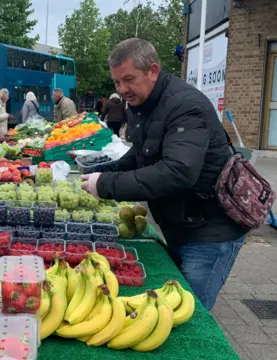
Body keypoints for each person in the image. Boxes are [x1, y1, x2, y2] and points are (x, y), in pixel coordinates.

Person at [80, 38, 248, 311]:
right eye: (117, 83)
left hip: (210, 231)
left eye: (129, 79)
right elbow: (142, 154)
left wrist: (108, 185)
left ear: (153, 71)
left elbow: (178, 172)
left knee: (187, 313)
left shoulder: (186, 106)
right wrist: (103, 171)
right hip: (181, 223)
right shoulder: (143, 104)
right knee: (171, 302)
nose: (122, 90)